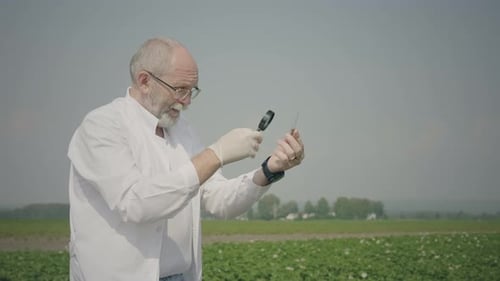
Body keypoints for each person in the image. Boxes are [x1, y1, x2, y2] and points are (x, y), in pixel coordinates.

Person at [67, 37, 304, 281]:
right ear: (145, 81)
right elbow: (135, 203)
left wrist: (268, 170)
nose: (187, 101)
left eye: (192, 91)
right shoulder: (103, 126)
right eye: (180, 89)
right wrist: (215, 154)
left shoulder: (183, 131)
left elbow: (218, 199)